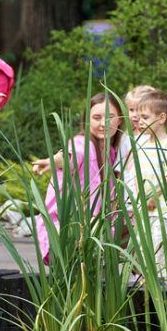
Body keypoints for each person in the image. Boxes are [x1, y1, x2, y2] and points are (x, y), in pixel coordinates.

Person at [30, 93, 124, 263]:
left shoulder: (111, 151)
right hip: (70, 229)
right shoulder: (83, 143)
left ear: (120, 120)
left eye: (110, 117)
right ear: (86, 120)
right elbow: (71, 156)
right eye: (96, 118)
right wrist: (52, 161)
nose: (103, 124)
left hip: (95, 231)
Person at [122, 89, 167, 274]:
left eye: (145, 117)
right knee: (142, 254)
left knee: (159, 254)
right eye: (138, 117)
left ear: (161, 118)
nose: (139, 121)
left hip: (161, 212)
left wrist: (153, 196)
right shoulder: (143, 143)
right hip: (143, 211)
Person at [115, 84, 158, 188]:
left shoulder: (155, 137)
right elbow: (120, 169)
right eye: (131, 110)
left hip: (151, 192)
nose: (134, 114)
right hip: (129, 193)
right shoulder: (126, 137)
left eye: (139, 110)